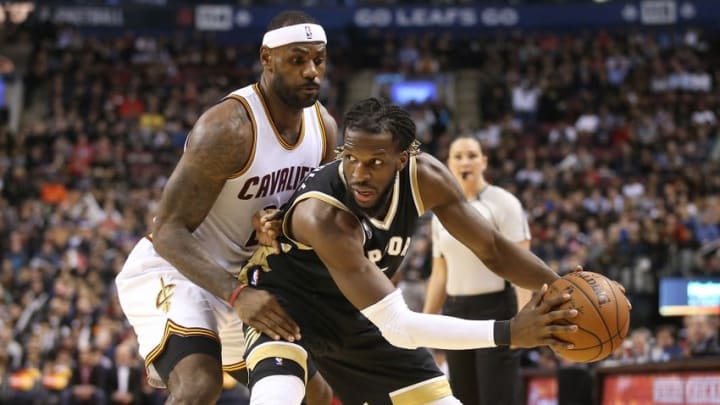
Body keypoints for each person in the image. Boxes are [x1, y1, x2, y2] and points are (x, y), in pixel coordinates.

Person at [240, 97, 580, 405]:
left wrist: (567, 292)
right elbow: (398, 324)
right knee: (276, 398)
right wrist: (509, 332)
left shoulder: (426, 177)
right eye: (351, 159)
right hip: (287, 310)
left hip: (359, 317)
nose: (360, 174)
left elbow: (493, 249)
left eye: (375, 162)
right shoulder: (324, 217)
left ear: (402, 159)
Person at [115, 11, 337, 405]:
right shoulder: (228, 128)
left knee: (315, 394)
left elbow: (309, 217)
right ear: (267, 60)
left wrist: (281, 226)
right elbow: (167, 230)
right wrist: (236, 295)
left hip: (246, 279)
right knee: (199, 384)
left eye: (318, 60)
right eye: (297, 59)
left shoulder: (324, 130)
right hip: (179, 269)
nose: (311, 72)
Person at [422, 135, 532, 405]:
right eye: (457, 156)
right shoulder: (441, 211)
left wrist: (525, 320)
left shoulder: (504, 203)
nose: (465, 161)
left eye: (471, 155)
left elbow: (523, 265)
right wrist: (423, 324)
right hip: (455, 313)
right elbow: (439, 273)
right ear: (448, 164)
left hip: (497, 310)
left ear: (484, 162)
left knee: (496, 398)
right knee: (461, 398)